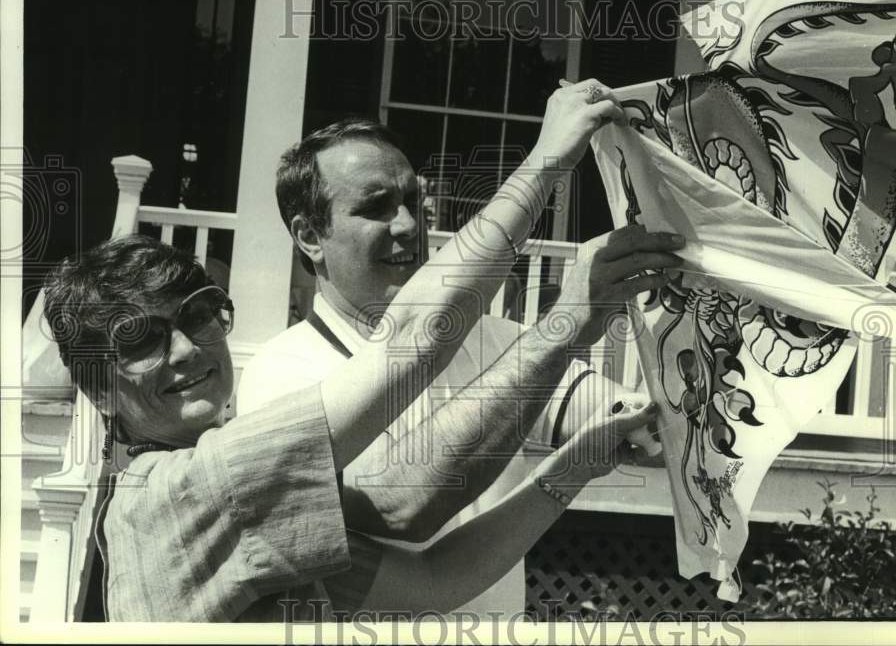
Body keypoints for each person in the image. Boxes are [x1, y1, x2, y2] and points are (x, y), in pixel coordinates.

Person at [43, 79, 684, 621]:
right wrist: (547, 166)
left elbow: (438, 577)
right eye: (142, 341)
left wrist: (583, 458)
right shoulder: (197, 482)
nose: (185, 351)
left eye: (200, 315)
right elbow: (401, 492)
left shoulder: (240, 490)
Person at [238, 82, 684, 615]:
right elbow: (399, 503)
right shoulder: (281, 375)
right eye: (376, 208)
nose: (407, 225)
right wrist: (562, 327)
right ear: (310, 236)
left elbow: (644, 430)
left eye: (412, 202)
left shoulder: (491, 339)